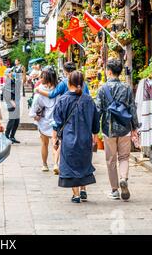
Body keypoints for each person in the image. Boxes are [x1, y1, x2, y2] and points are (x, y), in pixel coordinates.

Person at [53, 71, 100, 203]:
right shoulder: (89, 100)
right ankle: (83, 189)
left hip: (68, 138)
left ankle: (76, 194)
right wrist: (95, 135)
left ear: (69, 83)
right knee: (83, 163)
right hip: (85, 138)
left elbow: (57, 122)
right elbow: (96, 120)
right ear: (82, 83)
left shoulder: (63, 100)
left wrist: (56, 138)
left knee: (71, 165)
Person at [95, 59, 139, 201]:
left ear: (109, 71)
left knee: (111, 159)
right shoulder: (126, 88)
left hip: (108, 129)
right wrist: (134, 127)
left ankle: (114, 190)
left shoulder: (102, 89)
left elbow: (98, 110)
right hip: (124, 127)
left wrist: (94, 129)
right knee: (124, 157)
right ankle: (123, 178)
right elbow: (132, 108)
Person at [29, 67, 60, 174]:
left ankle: (45, 164)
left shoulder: (39, 90)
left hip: (43, 120)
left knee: (44, 143)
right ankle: (56, 163)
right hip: (56, 119)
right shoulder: (58, 89)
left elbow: (35, 107)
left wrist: (35, 115)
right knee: (56, 142)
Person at [3, 68, 21, 144]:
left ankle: (12, 136)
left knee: (16, 121)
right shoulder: (7, 82)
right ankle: (6, 136)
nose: (12, 72)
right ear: (7, 74)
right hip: (12, 103)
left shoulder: (12, 80)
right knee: (12, 120)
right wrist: (11, 101)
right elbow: (6, 92)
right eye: (10, 72)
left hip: (15, 102)